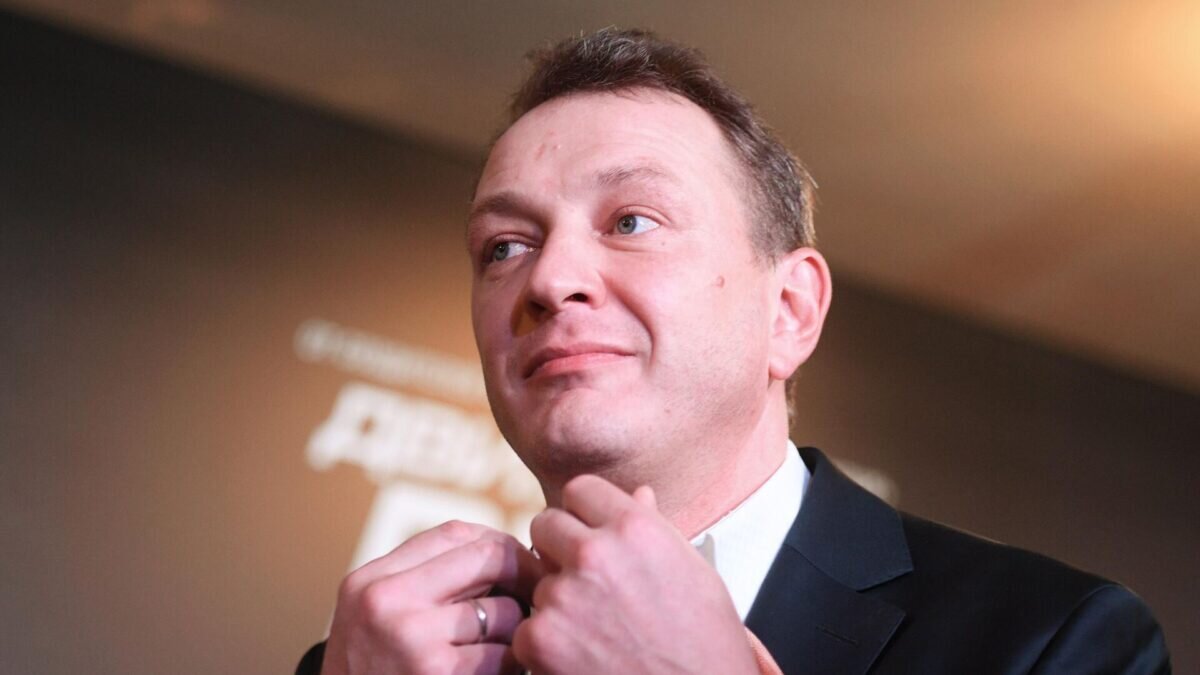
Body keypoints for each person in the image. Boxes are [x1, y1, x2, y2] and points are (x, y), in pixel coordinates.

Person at [299, 28, 1170, 674]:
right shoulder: (369, 658)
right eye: (504, 245)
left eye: (630, 221)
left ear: (789, 309)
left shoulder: (1055, 640)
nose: (549, 279)